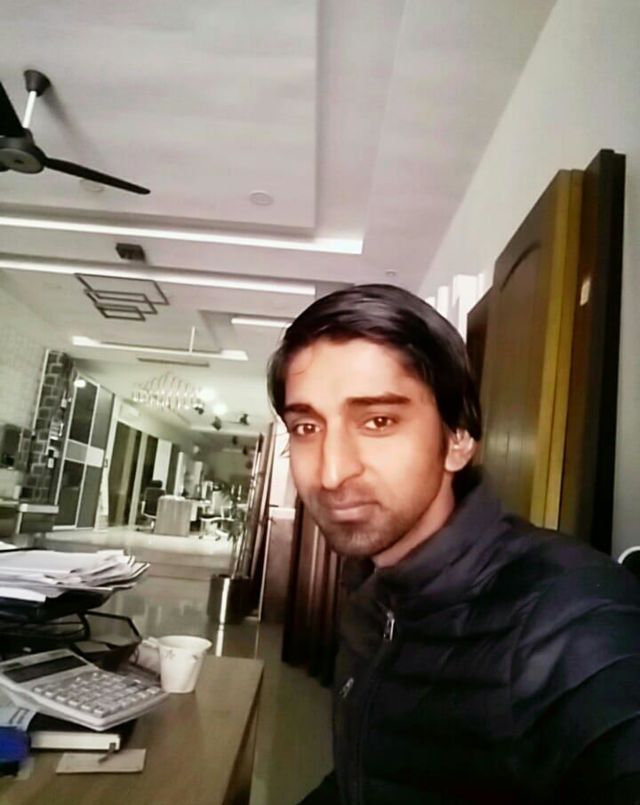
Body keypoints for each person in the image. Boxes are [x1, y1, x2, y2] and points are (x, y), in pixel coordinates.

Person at [267, 284, 640, 804]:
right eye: (307, 426)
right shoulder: (373, 599)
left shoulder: (572, 618)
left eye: (378, 421)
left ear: (458, 439)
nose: (332, 473)